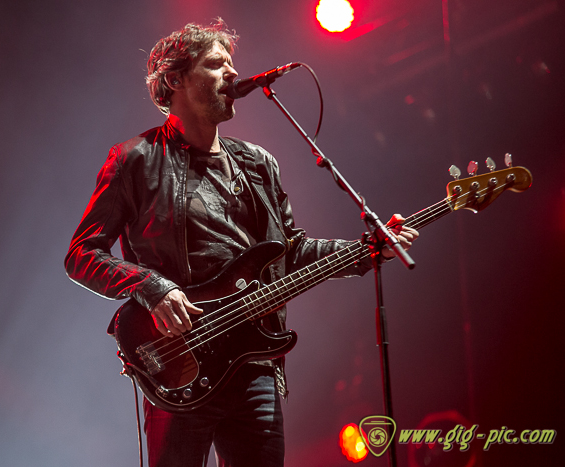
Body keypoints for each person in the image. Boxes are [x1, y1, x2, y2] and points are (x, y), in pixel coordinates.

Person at [65, 19, 418, 467]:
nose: (232, 73)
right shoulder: (135, 159)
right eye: (216, 64)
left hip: (254, 365)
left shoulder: (257, 163)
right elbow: (81, 254)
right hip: (179, 360)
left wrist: (368, 250)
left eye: (231, 63)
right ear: (175, 80)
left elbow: (290, 252)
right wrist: (152, 288)